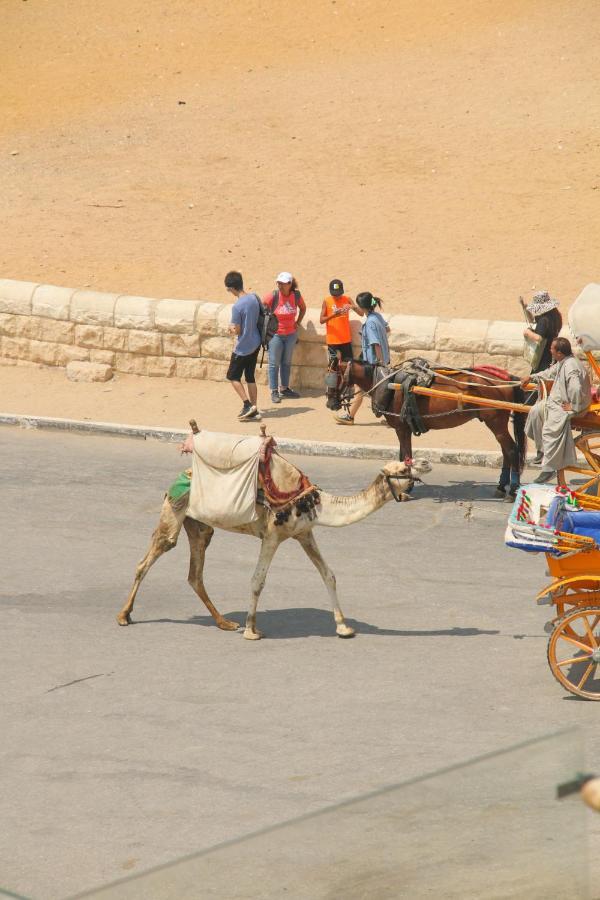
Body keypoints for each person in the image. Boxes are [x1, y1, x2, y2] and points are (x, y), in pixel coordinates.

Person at [520, 336, 591, 485]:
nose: (550, 351)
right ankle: (543, 451)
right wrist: (531, 377)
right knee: (535, 412)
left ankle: (549, 469)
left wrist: (574, 406)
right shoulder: (562, 362)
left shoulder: (570, 366)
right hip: (555, 402)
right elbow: (548, 373)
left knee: (549, 430)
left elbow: (576, 388)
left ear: (559, 352)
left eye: (552, 349)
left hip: (566, 406)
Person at [521, 291, 563, 465]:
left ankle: (542, 451)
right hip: (548, 361)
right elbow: (534, 321)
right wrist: (525, 308)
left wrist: (526, 333)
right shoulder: (554, 318)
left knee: (538, 409)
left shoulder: (544, 321)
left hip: (542, 364)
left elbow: (538, 336)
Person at [335, 292, 390, 425]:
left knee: (360, 388)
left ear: (363, 307)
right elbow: (387, 330)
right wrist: (353, 307)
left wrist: (379, 362)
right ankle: (388, 417)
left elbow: (375, 343)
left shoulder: (370, 323)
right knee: (378, 389)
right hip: (383, 357)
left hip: (373, 362)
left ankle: (350, 417)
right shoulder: (377, 316)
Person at [263, 272, 306, 404]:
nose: (280, 285)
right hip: (275, 335)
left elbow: (303, 308)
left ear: (290, 284)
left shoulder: (296, 295)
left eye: (283, 283)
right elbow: (262, 308)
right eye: (279, 283)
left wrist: (297, 322)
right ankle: (274, 391)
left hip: (291, 334)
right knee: (274, 363)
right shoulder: (273, 295)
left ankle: (285, 388)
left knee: (286, 362)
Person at [224, 270, 262, 421]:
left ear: (232, 288)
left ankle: (247, 405)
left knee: (233, 376)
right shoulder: (254, 298)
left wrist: (231, 330)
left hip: (243, 347)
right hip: (256, 342)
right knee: (250, 377)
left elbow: (237, 330)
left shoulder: (237, 307)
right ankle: (254, 408)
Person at [320, 278, 364, 363]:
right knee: (333, 367)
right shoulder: (326, 301)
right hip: (332, 341)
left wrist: (353, 307)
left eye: (338, 294)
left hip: (346, 340)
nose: (337, 296)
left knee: (349, 366)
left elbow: (361, 313)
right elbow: (321, 320)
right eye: (335, 294)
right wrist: (333, 315)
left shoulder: (347, 299)